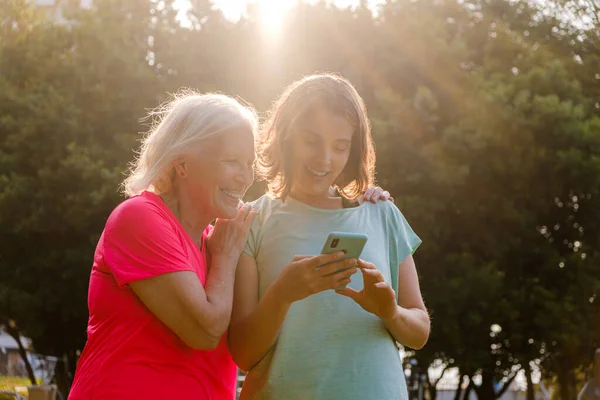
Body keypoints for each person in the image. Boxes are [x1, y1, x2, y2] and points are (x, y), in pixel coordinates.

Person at [228, 74, 431, 400]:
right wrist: (281, 295)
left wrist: (390, 312)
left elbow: (418, 332)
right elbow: (243, 353)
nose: (325, 159)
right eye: (311, 141)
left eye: (340, 147)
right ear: (287, 137)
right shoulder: (251, 220)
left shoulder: (382, 213)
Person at [68, 92, 258, 400]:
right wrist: (224, 258)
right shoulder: (139, 218)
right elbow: (205, 331)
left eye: (249, 163)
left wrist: (355, 200)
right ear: (182, 164)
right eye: (232, 161)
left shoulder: (220, 240)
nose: (245, 177)